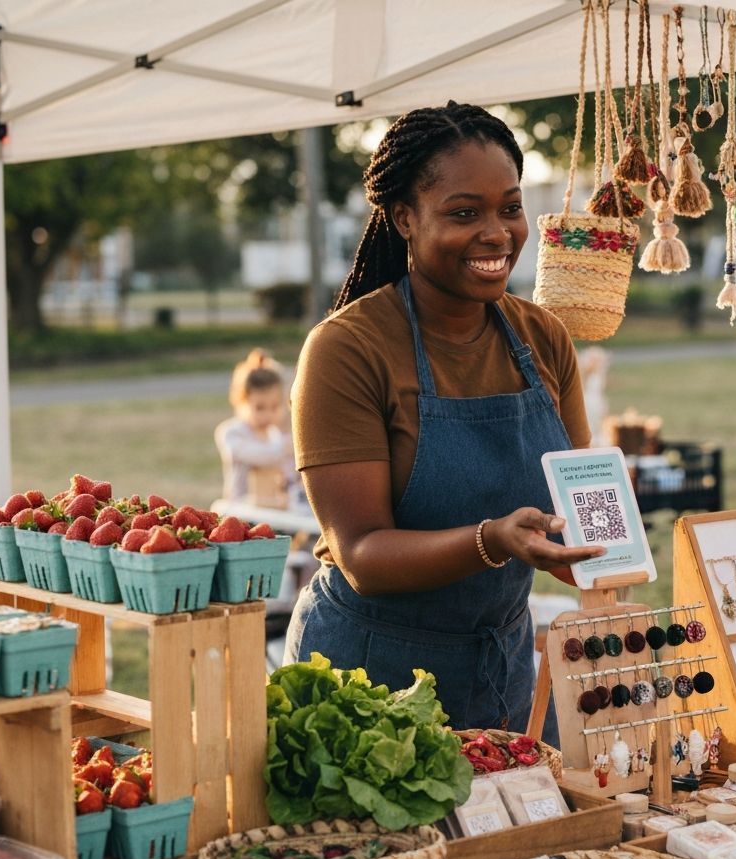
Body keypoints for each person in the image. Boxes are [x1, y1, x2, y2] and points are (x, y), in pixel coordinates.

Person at [284, 102, 602, 736]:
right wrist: (494, 541)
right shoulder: (347, 349)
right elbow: (362, 554)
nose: (497, 233)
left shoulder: (543, 338)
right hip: (369, 677)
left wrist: (595, 552)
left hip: (500, 666)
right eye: (464, 213)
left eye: (510, 208)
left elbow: (579, 500)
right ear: (404, 217)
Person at [215, 349, 299, 508]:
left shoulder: (275, 434)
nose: (267, 415)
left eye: (274, 407)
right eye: (259, 408)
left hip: (273, 509)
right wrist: (290, 446)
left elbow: (289, 471)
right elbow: (262, 455)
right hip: (241, 512)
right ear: (241, 401)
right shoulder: (231, 433)